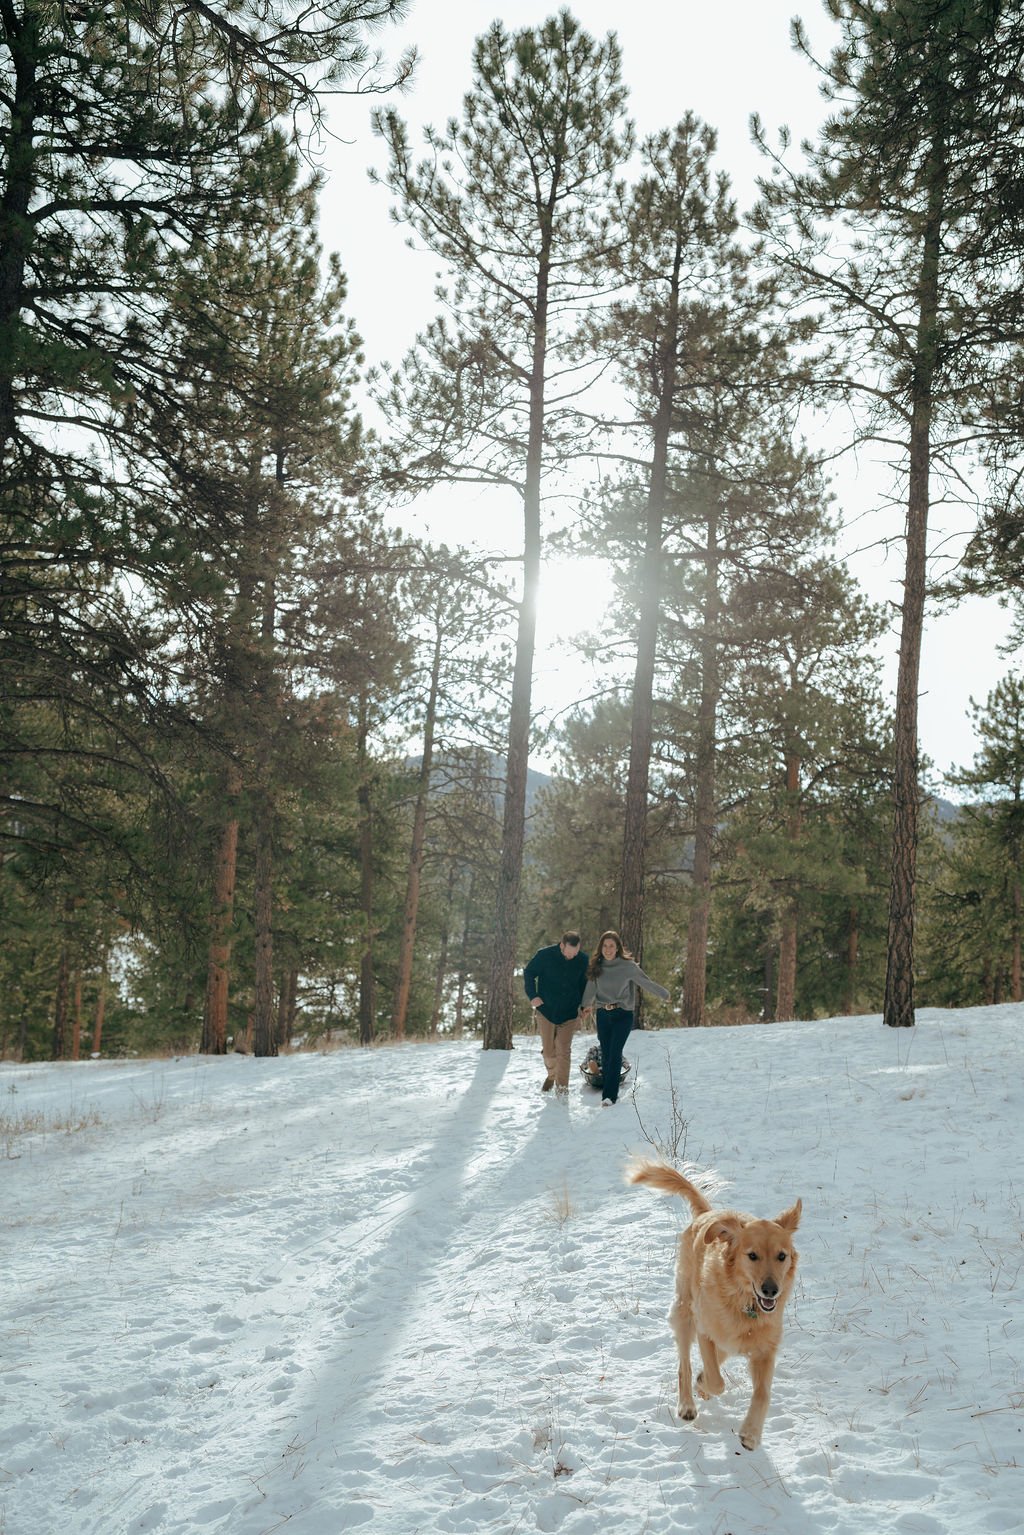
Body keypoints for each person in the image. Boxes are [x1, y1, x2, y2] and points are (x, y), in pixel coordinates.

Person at [581, 930, 669, 1107]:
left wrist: (664, 994)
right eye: (605, 946)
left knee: (614, 1053)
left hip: (623, 1015)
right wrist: (585, 1006)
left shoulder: (628, 966)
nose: (608, 949)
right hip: (603, 1015)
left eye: (611, 946)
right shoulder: (596, 966)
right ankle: (610, 1089)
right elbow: (590, 988)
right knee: (606, 1054)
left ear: (617, 948)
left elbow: (645, 982)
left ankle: (609, 1096)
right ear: (601, 947)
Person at [522, 931, 589, 1098]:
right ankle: (552, 1075)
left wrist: (584, 1005)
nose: (573, 956)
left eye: (576, 952)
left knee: (564, 1050)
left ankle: (562, 1089)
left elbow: (584, 984)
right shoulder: (544, 955)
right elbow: (529, 973)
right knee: (549, 1052)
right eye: (570, 952)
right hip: (546, 1011)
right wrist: (533, 996)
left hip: (569, 1013)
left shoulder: (582, 959)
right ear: (562, 945)